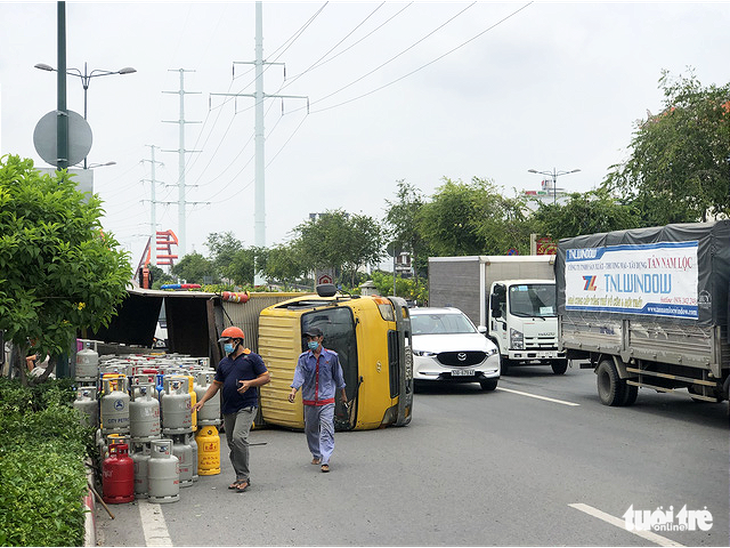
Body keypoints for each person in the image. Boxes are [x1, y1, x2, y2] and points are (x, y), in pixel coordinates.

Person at [194, 326, 270, 492]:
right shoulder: (224, 362)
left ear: (237, 341)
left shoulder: (252, 358)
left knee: (238, 437)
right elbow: (216, 384)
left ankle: (244, 477)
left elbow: (266, 377)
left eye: (228, 342)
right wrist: (203, 401)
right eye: (224, 343)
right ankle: (239, 476)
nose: (225, 346)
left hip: (247, 405)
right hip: (229, 408)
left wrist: (250, 383)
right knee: (231, 442)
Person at [288, 326, 347, 473]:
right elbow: (299, 374)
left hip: (326, 399)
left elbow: (338, 376)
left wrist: (343, 394)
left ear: (320, 339)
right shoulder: (303, 359)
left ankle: (326, 459)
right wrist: (294, 390)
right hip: (309, 400)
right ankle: (316, 453)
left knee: (327, 429)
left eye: (313, 339)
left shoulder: (331, 357)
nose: (311, 342)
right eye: (308, 340)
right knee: (310, 429)